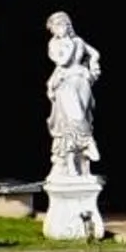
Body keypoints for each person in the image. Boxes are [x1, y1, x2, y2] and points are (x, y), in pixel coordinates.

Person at [45, 13, 102, 177]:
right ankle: (87, 143)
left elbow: (95, 53)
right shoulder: (54, 44)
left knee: (81, 117)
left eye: (64, 25)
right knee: (73, 118)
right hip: (65, 82)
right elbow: (63, 62)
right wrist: (68, 42)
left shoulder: (78, 41)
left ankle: (76, 163)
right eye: (57, 26)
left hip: (81, 80)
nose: (61, 28)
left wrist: (92, 65)